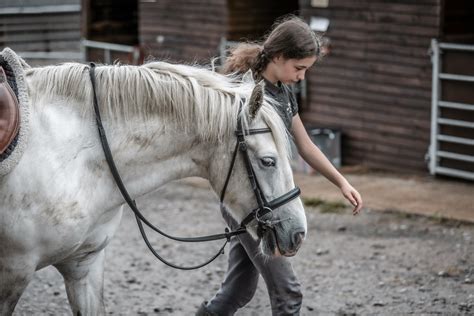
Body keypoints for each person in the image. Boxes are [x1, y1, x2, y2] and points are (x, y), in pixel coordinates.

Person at [197, 16, 363, 316]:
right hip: (249, 200)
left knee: (238, 290)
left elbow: (306, 145)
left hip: (267, 194)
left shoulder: (284, 93)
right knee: (288, 292)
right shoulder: (242, 90)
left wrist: (342, 182)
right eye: (299, 68)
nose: (301, 77)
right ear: (278, 56)